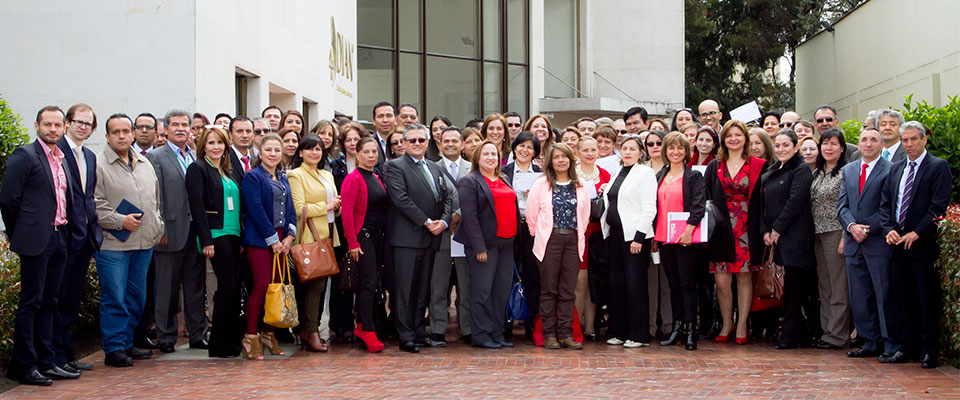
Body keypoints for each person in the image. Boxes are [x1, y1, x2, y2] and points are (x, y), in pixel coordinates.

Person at [0, 106, 75, 384]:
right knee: (31, 302)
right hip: (35, 239)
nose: (53, 129)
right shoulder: (25, 155)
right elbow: (9, 199)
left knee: (51, 301)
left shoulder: (62, 158)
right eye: (47, 124)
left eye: (57, 125)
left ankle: (47, 360)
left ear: (64, 127)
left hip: (59, 236)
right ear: (36, 126)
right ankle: (25, 365)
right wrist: (18, 232)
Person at [88, 113, 166, 370]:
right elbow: (94, 205)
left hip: (143, 244)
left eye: (125, 131)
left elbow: (154, 201)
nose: (122, 136)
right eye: (115, 132)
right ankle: (113, 348)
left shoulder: (144, 162)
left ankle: (128, 341)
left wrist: (158, 227)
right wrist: (119, 221)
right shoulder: (97, 165)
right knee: (115, 297)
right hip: (114, 245)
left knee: (136, 297)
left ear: (132, 133)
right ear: (107, 136)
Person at [879, 121, 952, 368]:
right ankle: (907, 348)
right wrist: (889, 230)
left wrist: (917, 232)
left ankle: (929, 350)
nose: (909, 144)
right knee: (902, 298)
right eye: (905, 140)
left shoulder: (938, 167)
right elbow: (886, 204)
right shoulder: (896, 168)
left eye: (913, 139)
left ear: (924, 140)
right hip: (896, 244)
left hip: (922, 245)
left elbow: (938, 206)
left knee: (925, 298)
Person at [383, 124, 454, 353]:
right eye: (412, 140)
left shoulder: (434, 167)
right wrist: (426, 222)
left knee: (422, 287)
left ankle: (417, 329)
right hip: (407, 238)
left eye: (421, 140)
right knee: (405, 289)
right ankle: (405, 335)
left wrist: (443, 222)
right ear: (403, 142)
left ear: (427, 142)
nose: (417, 144)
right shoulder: (394, 166)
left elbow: (446, 197)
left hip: (431, 237)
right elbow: (400, 199)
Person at [146, 109, 208, 354]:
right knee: (166, 288)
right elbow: (154, 195)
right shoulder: (157, 157)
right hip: (169, 230)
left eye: (186, 125)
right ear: (166, 129)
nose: (181, 128)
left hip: (195, 232)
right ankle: (166, 336)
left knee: (195, 287)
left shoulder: (194, 156)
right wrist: (159, 226)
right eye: (176, 125)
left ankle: (197, 334)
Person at [703, 120, 765, 345]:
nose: (733, 139)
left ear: (745, 138)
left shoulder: (758, 164)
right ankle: (726, 322)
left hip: (747, 226)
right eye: (729, 135)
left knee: (744, 277)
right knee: (721, 280)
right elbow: (707, 196)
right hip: (721, 228)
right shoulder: (714, 166)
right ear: (723, 139)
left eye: (738, 135)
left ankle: (741, 326)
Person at [185, 126, 244, 358]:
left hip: (233, 234)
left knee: (233, 287)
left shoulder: (227, 171)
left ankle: (230, 340)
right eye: (211, 143)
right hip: (215, 235)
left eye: (219, 143)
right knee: (227, 286)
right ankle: (218, 343)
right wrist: (205, 239)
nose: (216, 147)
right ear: (203, 146)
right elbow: (197, 208)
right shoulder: (197, 169)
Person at [837, 126, 896, 360]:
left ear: (882, 145)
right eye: (864, 140)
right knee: (860, 297)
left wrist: (867, 228)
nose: (868, 144)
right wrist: (852, 227)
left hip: (878, 242)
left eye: (874, 140)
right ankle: (869, 342)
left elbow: (889, 207)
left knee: (884, 295)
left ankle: (890, 345)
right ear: (858, 145)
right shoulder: (849, 170)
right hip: (854, 242)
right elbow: (842, 206)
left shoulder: (890, 170)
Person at [53, 104, 103, 373]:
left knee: (72, 300)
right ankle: (54, 357)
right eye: (78, 121)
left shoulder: (89, 156)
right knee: (57, 300)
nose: (83, 126)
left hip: (84, 239)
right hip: (63, 238)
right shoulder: (56, 153)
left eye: (88, 123)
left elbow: (87, 197)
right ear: (67, 123)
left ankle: (66, 354)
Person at [525, 143, 590, 350]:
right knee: (549, 289)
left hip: (572, 240)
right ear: (550, 161)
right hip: (549, 241)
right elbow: (531, 215)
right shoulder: (542, 183)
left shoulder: (580, 184)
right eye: (556, 157)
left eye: (565, 156)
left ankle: (565, 334)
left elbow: (585, 215)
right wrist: (540, 235)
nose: (561, 160)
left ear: (571, 159)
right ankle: (549, 333)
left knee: (567, 290)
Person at [455, 141, 518, 349]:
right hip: (485, 245)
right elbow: (470, 218)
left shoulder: (504, 178)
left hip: (507, 243)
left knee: (501, 291)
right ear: (477, 158)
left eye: (494, 153)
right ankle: (481, 335)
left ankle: (497, 333)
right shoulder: (469, 181)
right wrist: (479, 247)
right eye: (485, 154)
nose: (490, 157)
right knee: (482, 292)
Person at [241, 133, 297, 360]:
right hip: (259, 239)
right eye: (268, 150)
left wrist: (290, 237)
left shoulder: (283, 178)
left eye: (277, 150)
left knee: (277, 286)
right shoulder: (253, 177)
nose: (273, 154)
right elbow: (256, 210)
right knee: (262, 285)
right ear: (260, 152)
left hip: (283, 239)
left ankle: (268, 333)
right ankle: (250, 336)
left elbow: (291, 210)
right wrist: (273, 239)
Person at [759, 130, 815, 349]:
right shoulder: (771, 170)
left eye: (786, 145)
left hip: (795, 238)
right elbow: (762, 206)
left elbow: (795, 202)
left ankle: (790, 336)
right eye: (778, 145)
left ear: (796, 146)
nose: (781, 149)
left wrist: (777, 230)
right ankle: (791, 332)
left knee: (793, 290)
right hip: (774, 238)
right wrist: (765, 231)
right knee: (783, 290)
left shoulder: (801, 170)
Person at [601, 135, 657, 348]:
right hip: (615, 235)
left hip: (634, 237)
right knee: (618, 285)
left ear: (640, 152)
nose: (627, 152)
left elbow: (649, 207)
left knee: (635, 286)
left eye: (632, 149)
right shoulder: (618, 171)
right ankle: (620, 332)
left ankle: (639, 334)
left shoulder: (645, 173)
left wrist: (639, 237)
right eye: (624, 148)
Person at [287, 133, 341, 353]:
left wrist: (335, 207)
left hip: (328, 233)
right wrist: (326, 206)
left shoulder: (327, 175)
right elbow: (299, 208)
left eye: (318, 149)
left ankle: (308, 329)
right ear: (300, 152)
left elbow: (334, 203)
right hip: (309, 236)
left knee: (320, 287)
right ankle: (311, 331)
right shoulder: (295, 175)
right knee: (313, 287)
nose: (314, 153)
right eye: (309, 149)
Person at [653, 132, 706, 351]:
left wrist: (689, 230)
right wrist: (654, 238)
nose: (675, 152)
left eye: (680, 148)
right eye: (671, 148)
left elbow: (698, 205)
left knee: (686, 283)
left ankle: (691, 329)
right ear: (665, 151)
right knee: (672, 283)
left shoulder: (693, 176)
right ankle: (676, 327)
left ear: (686, 151)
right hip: (663, 237)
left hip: (686, 238)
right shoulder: (660, 175)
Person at [341, 137, 388, 353]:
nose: (371, 156)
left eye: (374, 152)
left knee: (375, 283)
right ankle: (367, 329)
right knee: (367, 283)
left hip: (379, 237)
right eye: (366, 152)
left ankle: (363, 324)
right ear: (357, 154)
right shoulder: (353, 178)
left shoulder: (376, 177)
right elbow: (347, 212)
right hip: (363, 238)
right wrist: (352, 242)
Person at [430, 127, 473, 345]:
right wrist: (447, 219)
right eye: (445, 141)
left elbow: (477, 199)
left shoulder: (472, 168)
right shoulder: (431, 168)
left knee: (466, 286)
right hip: (442, 235)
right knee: (438, 285)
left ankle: (467, 328)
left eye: (455, 140)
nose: (450, 144)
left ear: (462, 144)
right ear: (439, 144)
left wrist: (459, 215)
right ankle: (437, 329)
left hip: (466, 235)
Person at [810, 128, 850, 349]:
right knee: (824, 286)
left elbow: (849, 205)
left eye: (833, 143)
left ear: (842, 148)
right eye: (825, 143)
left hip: (836, 232)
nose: (828, 148)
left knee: (838, 286)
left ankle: (838, 335)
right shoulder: (817, 173)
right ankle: (827, 332)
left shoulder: (846, 172)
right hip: (817, 233)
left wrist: (845, 236)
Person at [503, 131, 542, 338]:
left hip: (532, 229)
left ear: (535, 152)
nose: (524, 150)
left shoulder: (541, 174)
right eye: (521, 145)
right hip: (509, 228)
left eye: (530, 147)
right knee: (508, 274)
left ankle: (531, 322)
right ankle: (506, 322)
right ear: (514, 147)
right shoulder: (503, 172)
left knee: (532, 276)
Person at [574, 137, 610, 341]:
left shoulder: (605, 174)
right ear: (577, 152)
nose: (589, 153)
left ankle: (590, 327)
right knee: (580, 281)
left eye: (593, 149)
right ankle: (575, 325)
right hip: (578, 231)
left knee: (594, 281)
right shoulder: (572, 174)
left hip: (598, 233)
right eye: (585, 150)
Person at [643, 130, 672, 338]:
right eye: (650, 143)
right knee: (650, 284)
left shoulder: (673, 170)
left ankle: (669, 325)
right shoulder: (641, 170)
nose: (654, 146)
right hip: (646, 234)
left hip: (670, 233)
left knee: (668, 283)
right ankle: (650, 327)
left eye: (659, 142)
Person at [372, 101, 397, 166]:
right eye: (380, 116)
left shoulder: (405, 142)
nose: (385, 120)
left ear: (395, 120)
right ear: (374, 121)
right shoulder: (368, 143)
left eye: (389, 116)